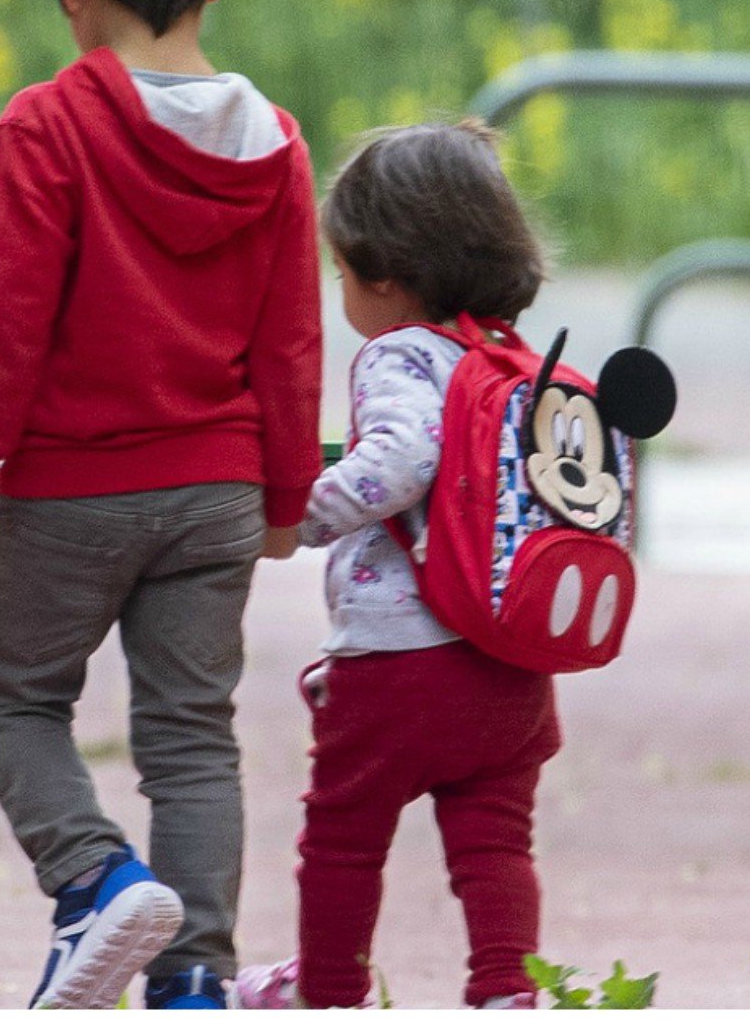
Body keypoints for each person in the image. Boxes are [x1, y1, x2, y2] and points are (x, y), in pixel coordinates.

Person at [0, 0, 324, 1012]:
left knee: (9, 699)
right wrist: (284, 496)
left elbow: (3, 326)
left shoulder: (46, 130)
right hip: (213, 497)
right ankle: (195, 976)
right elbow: (291, 341)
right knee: (192, 737)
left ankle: (96, 883)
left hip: (70, 492)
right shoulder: (276, 143)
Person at [234, 121, 560, 1012]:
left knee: (342, 839)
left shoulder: (400, 354)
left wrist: (291, 516)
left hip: (399, 660)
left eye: (342, 272)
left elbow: (403, 456)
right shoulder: (515, 362)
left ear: (382, 272)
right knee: (495, 844)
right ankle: (506, 989)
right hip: (509, 661)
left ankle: (329, 993)